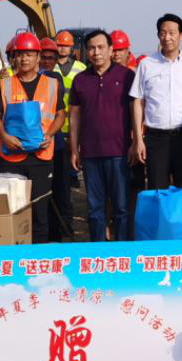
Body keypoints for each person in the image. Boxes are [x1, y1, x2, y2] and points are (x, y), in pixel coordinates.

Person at [0, 31, 64, 243]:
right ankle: (15, 256)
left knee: (40, 212)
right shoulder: (5, 84)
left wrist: (50, 134)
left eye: (29, 54)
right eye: (19, 54)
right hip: (12, 157)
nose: (24, 59)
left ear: (38, 57)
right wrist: (4, 136)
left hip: (41, 157)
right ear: (14, 58)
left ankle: (37, 257)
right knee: (13, 211)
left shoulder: (52, 84)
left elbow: (60, 115)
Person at [130, 13, 182, 208]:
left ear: (181, 35)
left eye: (172, 32)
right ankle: (159, 228)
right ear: (158, 36)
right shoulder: (146, 65)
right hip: (156, 139)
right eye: (163, 33)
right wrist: (138, 139)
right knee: (157, 191)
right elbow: (137, 101)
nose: (167, 37)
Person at [70, 29, 135, 241]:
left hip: (119, 152)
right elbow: (75, 117)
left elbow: (136, 111)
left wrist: (135, 143)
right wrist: (74, 149)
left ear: (110, 49)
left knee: (122, 207)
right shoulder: (80, 80)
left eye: (100, 47)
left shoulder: (126, 76)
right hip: (91, 154)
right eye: (91, 48)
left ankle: (122, 250)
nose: (96, 52)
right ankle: (98, 251)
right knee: (95, 208)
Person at [49, 30, 86, 240]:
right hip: (52, 131)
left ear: (72, 48)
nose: (62, 48)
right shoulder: (48, 67)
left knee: (65, 185)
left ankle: (67, 224)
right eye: (59, 45)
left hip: (72, 130)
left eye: (65, 45)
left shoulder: (81, 68)